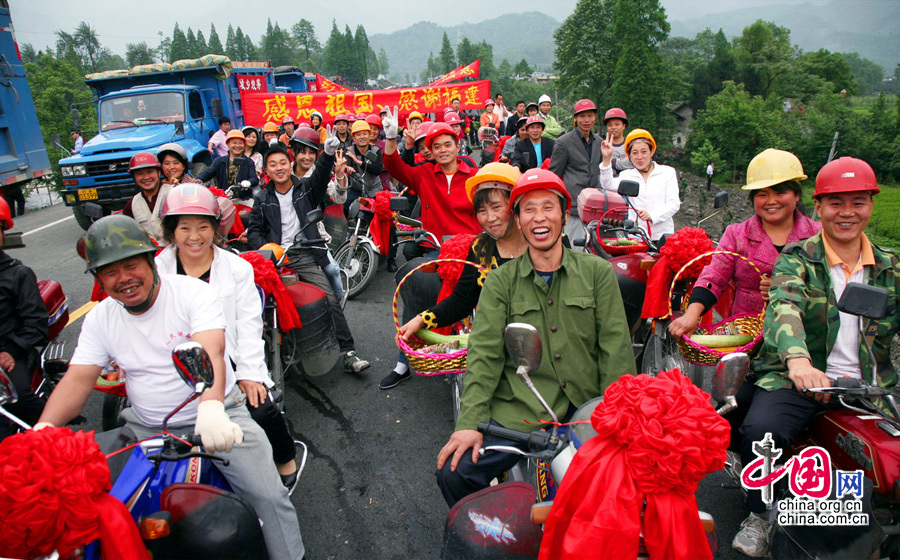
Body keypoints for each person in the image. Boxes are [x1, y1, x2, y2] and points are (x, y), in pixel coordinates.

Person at [36, 214, 304, 559]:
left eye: (131, 265)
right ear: (99, 279)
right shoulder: (101, 318)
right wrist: (43, 430)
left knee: (267, 496)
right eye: (110, 272)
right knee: (101, 505)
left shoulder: (192, 293)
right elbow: (77, 378)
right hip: (144, 425)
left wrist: (210, 408)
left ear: (151, 261)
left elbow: (211, 350)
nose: (124, 279)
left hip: (218, 415)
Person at [725, 156, 898, 558]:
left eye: (858, 202)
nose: (847, 213)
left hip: (872, 386)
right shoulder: (798, 257)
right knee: (760, 432)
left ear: (871, 205)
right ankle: (761, 513)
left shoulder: (891, 267)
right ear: (818, 208)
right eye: (836, 203)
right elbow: (784, 308)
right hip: (801, 380)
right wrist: (799, 362)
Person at [435, 168, 635, 506]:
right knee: (454, 474)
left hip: (585, 409)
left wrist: (616, 417)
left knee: (625, 489)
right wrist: (468, 424)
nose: (538, 218)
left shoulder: (597, 272)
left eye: (548, 207)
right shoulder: (501, 282)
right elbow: (484, 355)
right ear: (518, 218)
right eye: (528, 209)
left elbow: (615, 350)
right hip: (520, 412)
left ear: (564, 214)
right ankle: (502, 530)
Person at [156, 184, 301, 492]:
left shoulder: (236, 268)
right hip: (172, 365)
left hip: (229, 360)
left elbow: (248, 324)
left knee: (261, 407)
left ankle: (286, 459)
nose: (194, 237)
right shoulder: (157, 269)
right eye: (185, 228)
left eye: (203, 228)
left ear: (215, 229)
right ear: (172, 231)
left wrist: (250, 374)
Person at [380, 163, 528, 389]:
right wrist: (421, 319)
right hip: (496, 350)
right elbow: (462, 301)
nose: (490, 218)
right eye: (481, 211)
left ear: (515, 204)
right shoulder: (481, 249)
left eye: (497, 207)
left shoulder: (541, 243)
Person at [246, 139, 370, 375]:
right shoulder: (262, 198)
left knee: (329, 299)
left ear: (290, 164)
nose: (279, 168)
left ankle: (348, 352)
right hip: (274, 258)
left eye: (283, 162)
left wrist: (327, 154)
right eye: (273, 164)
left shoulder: (305, 189)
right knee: (258, 304)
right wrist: (264, 248)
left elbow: (322, 177)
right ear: (267, 170)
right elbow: (254, 230)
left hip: (306, 253)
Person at [669, 149, 820, 340]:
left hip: (806, 337)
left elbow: (833, 286)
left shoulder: (817, 235)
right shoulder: (738, 234)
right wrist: (691, 314)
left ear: (797, 195)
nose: (771, 201)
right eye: (762, 194)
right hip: (748, 335)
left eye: (780, 192)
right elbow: (714, 277)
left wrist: (785, 287)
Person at [382, 109, 482, 261]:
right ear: (432, 152)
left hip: (472, 248)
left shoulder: (476, 176)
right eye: (437, 147)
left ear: (457, 147)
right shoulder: (424, 174)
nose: (443, 150)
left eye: (447, 145)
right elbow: (393, 166)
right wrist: (391, 138)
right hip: (437, 249)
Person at [0, 197, 47, 440]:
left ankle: (52, 435)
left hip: (12, 352)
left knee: (17, 397)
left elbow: (37, 323)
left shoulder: (18, 274)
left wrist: (11, 351)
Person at [290, 126, 349, 301]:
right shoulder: (284, 172)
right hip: (283, 233)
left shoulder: (319, 174)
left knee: (332, 269)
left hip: (312, 233)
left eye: (311, 153)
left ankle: (337, 301)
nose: (307, 157)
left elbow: (339, 199)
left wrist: (339, 176)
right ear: (294, 152)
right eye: (302, 152)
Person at [599, 128, 680, 241]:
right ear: (629, 156)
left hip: (663, 236)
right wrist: (606, 158)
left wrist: (652, 215)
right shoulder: (627, 175)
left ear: (652, 152)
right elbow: (607, 184)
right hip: (636, 236)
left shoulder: (667, 172)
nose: (639, 157)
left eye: (644, 151)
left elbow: (674, 203)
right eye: (634, 153)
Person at [549, 99, 603, 225]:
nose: (586, 120)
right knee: (574, 243)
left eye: (590, 116)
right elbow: (555, 175)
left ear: (595, 117)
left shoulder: (599, 142)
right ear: (576, 118)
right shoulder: (564, 142)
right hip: (573, 206)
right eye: (582, 116)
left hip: (596, 206)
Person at [121, 151, 172, 243]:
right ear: (134, 177)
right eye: (139, 174)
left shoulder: (174, 193)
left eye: (150, 172)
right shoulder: (132, 204)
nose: (146, 177)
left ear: (159, 172)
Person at [345, 120, 385, 211]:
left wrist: (358, 162)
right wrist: (348, 168)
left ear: (369, 135)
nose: (362, 137)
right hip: (356, 189)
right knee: (345, 207)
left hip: (375, 189)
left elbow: (377, 170)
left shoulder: (376, 150)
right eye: (358, 135)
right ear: (354, 138)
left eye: (364, 134)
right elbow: (347, 164)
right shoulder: (349, 151)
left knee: (383, 210)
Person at [603, 108, 632, 176]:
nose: (613, 127)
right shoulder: (603, 146)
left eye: (617, 124)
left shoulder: (630, 145)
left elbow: (633, 162)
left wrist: (612, 162)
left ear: (624, 126)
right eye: (610, 125)